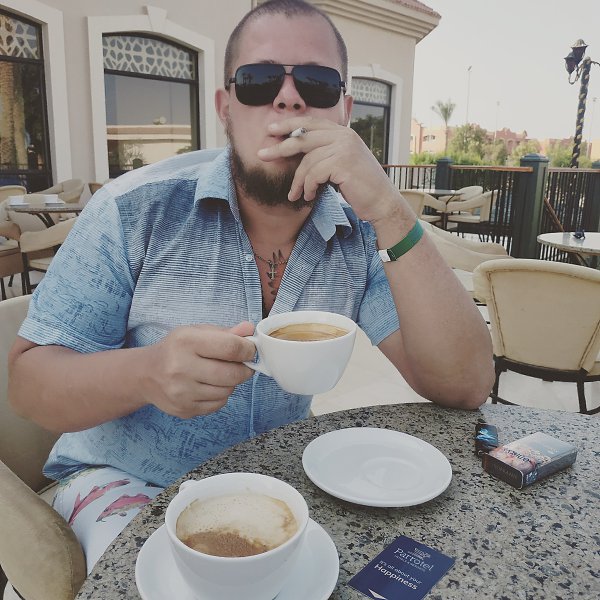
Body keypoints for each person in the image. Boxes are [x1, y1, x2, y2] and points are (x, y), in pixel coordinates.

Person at [8, 0, 494, 572]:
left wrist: (391, 210)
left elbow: (463, 385)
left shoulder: (365, 229)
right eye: (259, 81)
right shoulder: (133, 211)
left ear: (344, 112)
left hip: (279, 483)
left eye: (315, 82)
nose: (287, 99)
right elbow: (29, 387)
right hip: (122, 479)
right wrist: (146, 373)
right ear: (226, 108)